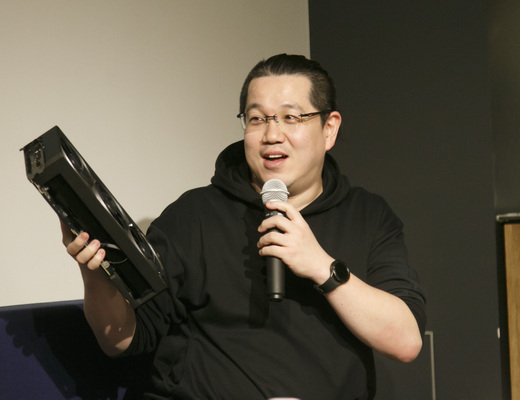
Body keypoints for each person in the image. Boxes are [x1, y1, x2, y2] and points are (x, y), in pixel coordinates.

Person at [62, 54, 427, 399]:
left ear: (328, 129)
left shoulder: (368, 215)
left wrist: (320, 265)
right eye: (257, 119)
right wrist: (95, 274)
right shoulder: (193, 215)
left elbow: (406, 342)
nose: (272, 135)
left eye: (291, 117)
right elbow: (120, 339)